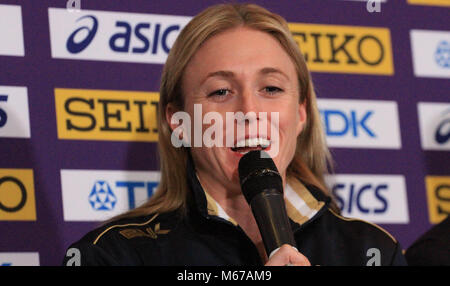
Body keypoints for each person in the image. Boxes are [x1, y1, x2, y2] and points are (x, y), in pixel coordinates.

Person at [62, 3, 407, 266]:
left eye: (271, 88)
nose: (249, 112)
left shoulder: (371, 251)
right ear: (178, 121)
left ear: (301, 112)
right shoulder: (112, 255)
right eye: (220, 92)